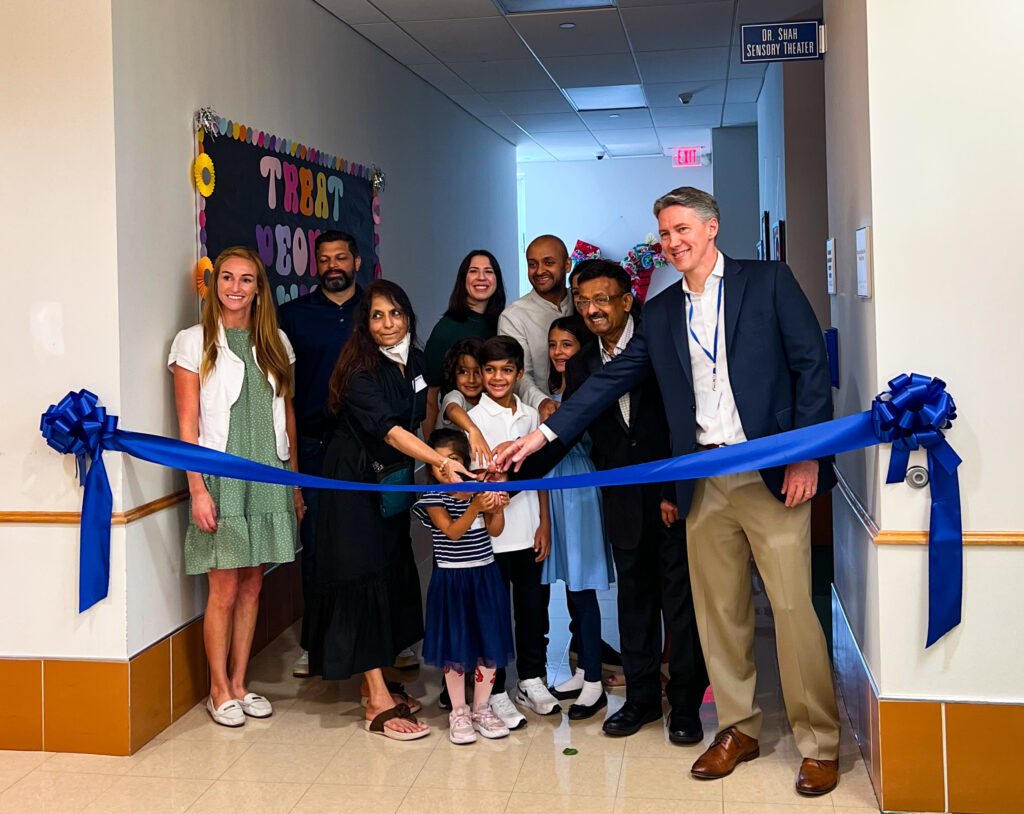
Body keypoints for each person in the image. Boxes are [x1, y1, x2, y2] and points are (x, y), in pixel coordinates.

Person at [497, 187, 842, 795]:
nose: (673, 242)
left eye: (682, 229)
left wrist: (806, 455)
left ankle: (819, 742)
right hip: (701, 480)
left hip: (771, 471)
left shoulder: (768, 282)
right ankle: (738, 728)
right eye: (664, 233)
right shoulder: (659, 313)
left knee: (791, 611)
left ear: (711, 228)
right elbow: (607, 383)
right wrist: (541, 435)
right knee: (718, 614)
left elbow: (811, 368)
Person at [302, 279, 474, 741]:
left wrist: (442, 456)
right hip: (354, 484)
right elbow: (391, 430)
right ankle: (376, 700)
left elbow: (421, 417)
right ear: (365, 323)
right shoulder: (359, 370)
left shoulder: (414, 361)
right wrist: (440, 462)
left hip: (392, 482)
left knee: (390, 570)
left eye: (395, 313)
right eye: (377, 316)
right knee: (362, 577)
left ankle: (376, 678)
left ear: (408, 316)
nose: (387, 324)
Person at [566, 260, 708, 740]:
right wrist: (521, 466)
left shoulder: (660, 343)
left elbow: (683, 419)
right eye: (583, 301)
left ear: (627, 301)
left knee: (680, 604)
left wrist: (674, 490)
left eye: (601, 299)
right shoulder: (581, 364)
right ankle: (642, 700)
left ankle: (685, 705)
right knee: (634, 602)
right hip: (622, 501)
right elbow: (575, 427)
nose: (592, 309)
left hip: (671, 498)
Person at [168, 246, 302, 728]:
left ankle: (241, 684)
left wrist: (294, 483)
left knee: (252, 585)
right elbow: (186, 427)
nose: (236, 287)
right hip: (220, 477)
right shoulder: (193, 342)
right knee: (223, 588)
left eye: (247, 279)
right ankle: (218, 689)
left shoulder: (277, 343)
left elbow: (288, 416)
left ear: (259, 289)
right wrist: (197, 490)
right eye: (227, 277)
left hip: (269, 472)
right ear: (214, 284)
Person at [277, 229, 362, 678]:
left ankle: (385, 640)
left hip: (369, 446)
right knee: (316, 546)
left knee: (377, 542)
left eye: (341, 258)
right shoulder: (293, 316)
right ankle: (315, 642)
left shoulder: (378, 309)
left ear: (356, 262)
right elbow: (281, 391)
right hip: (313, 446)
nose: (333, 266)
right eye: (325, 259)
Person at [467, 336, 560, 729]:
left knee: (532, 608)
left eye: (507, 370)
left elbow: (539, 475)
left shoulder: (531, 417)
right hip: (490, 535)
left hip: (527, 529)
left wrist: (544, 523)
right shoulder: (473, 419)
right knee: (494, 613)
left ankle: (531, 679)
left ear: (520, 373)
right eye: (490, 370)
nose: (498, 378)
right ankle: (496, 689)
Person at [414, 429, 515, 744]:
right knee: (455, 647)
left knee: (488, 645)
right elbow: (452, 532)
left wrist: (497, 508)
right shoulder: (433, 498)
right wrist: (475, 508)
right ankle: (458, 711)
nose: (445, 469)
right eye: (438, 464)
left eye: (453, 460)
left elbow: (495, 531)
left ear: (465, 462)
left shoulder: (479, 490)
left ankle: (482, 708)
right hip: (451, 581)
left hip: (485, 576)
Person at [542, 315, 614, 720]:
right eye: (553, 344)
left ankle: (595, 683)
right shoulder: (553, 390)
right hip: (553, 487)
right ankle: (583, 669)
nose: (558, 352)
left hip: (578, 489)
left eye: (566, 344)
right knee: (570, 586)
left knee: (583, 586)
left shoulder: (588, 390)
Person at [422, 250, 506, 436]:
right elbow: (430, 397)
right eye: (473, 271)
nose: (481, 277)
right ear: (463, 279)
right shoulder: (446, 330)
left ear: (497, 280)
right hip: (457, 433)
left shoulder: (505, 323)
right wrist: (430, 448)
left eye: (488, 271)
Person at [497, 235, 573, 420]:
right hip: (543, 419)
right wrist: (542, 402)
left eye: (548, 262)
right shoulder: (513, 316)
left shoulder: (582, 302)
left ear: (567, 265)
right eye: (532, 264)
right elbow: (517, 374)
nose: (539, 271)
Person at [435, 337, 490, 464]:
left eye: (478, 372)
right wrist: (473, 430)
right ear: (453, 374)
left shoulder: (488, 400)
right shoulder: (454, 396)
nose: (471, 380)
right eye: (463, 372)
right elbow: (453, 409)